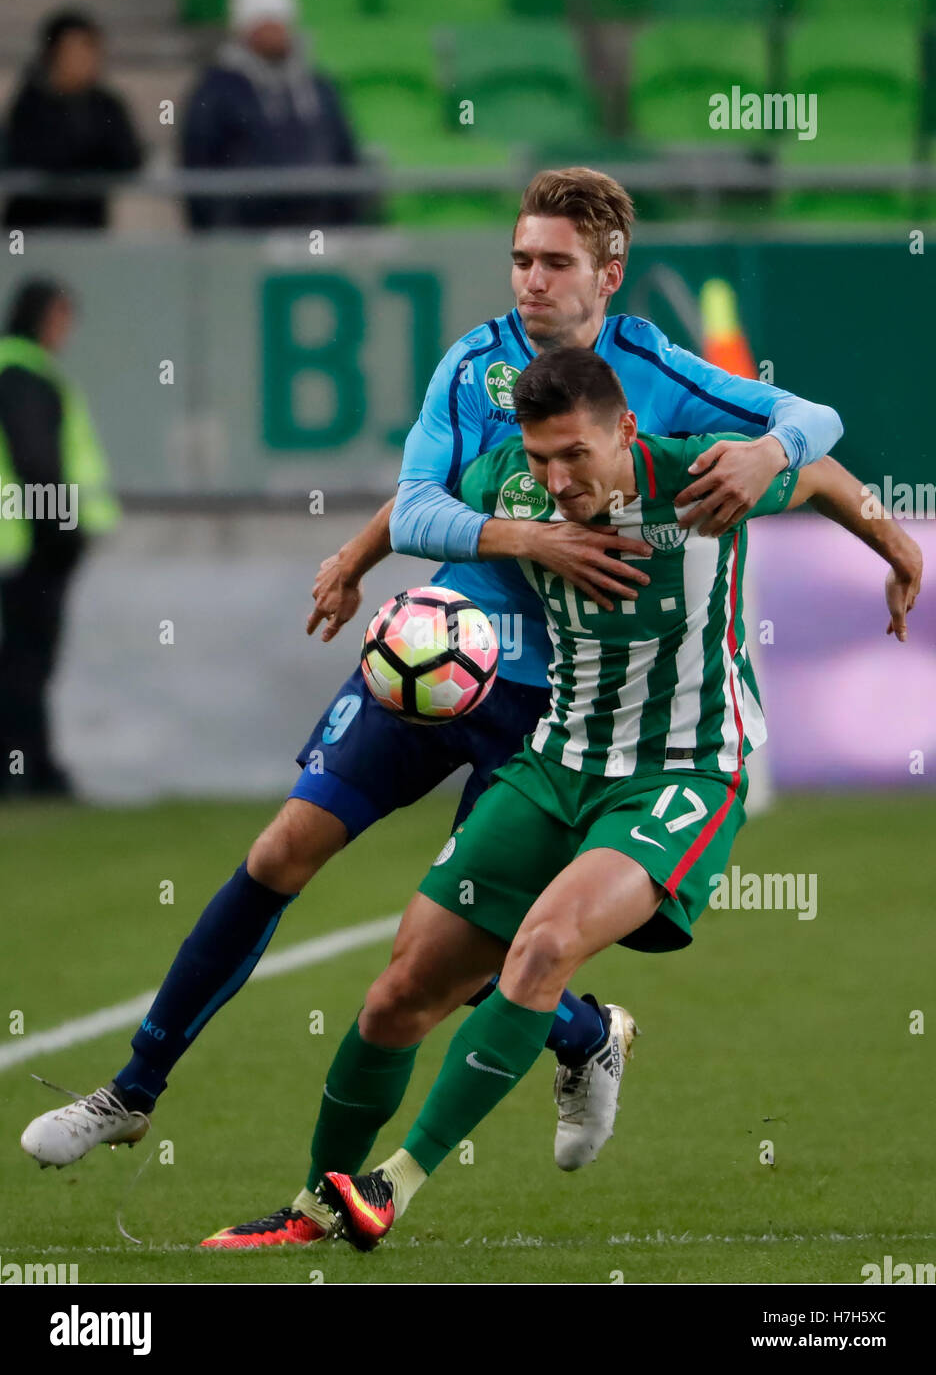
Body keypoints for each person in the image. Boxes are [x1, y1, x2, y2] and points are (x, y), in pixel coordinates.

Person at [20, 169, 843, 1245]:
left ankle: (574, 1038)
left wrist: (783, 454)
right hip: (436, 656)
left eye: (554, 262)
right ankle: (133, 1093)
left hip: (558, 698)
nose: (532, 281)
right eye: (520, 259)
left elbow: (809, 422)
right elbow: (423, 498)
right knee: (281, 851)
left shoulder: (650, 372)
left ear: (609, 270)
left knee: (445, 960)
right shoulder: (474, 360)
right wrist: (405, 547)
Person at [310, 347, 921, 1249]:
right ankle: (311, 1206)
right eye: (541, 458)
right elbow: (418, 505)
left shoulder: (704, 478)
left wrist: (902, 549)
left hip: (681, 771)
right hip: (557, 762)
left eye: (575, 458)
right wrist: (355, 559)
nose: (557, 480)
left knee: (543, 945)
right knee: (400, 993)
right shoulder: (514, 486)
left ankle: (392, 1187)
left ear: (626, 431)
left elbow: (821, 473)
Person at [0, 279, 120, 798]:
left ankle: (30, 767)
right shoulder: (25, 375)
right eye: (63, 317)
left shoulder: (18, 371)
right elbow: (37, 463)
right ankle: (28, 771)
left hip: (23, 543)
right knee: (28, 661)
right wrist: (63, 531)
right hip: (29, 546)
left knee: (24, 660)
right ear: (45, 317)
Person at [182, 0, 364, 230]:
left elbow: (344, 152)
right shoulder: (216, 91)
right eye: (265, 24)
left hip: (319, 225)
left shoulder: (319, 87)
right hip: (248, 232)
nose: (274, 33)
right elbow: (199, 162)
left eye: (279, 23)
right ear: (245, 30)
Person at [2, 10, 143, 231]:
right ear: (54, 54)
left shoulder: (106, 105)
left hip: (87, 228)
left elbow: (130, 157)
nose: (88, 59)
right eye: (78, 50)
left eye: (93, 49)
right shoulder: (30, 104)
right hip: (33, 230)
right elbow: (35, 156)